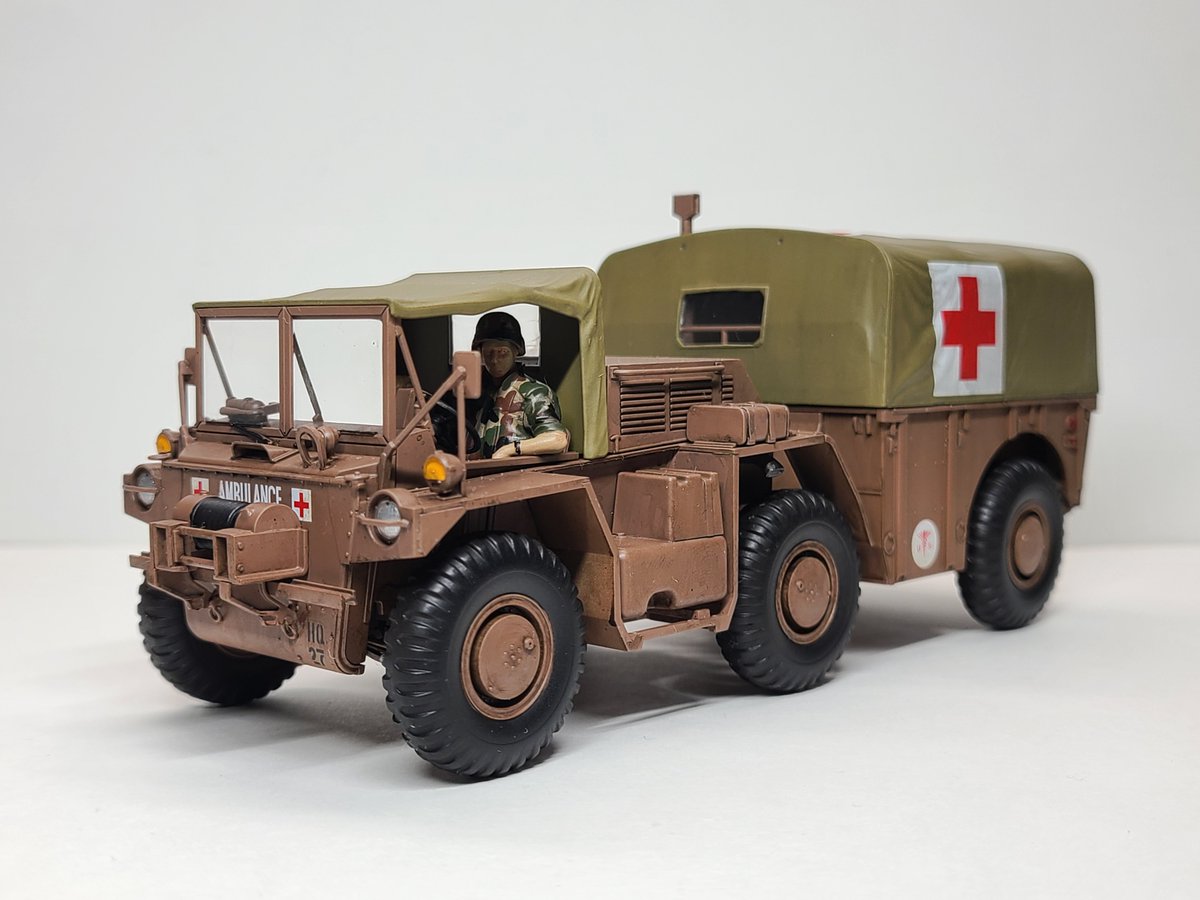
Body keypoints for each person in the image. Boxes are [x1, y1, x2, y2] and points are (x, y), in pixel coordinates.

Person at [470, 311, 570, 459]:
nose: (495, 360)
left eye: (502, 352)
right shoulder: (478, 392)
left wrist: (510, 450)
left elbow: (557, 439)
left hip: (516, 469)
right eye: (488, 353)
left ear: (516, 351)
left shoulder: (533, 392)